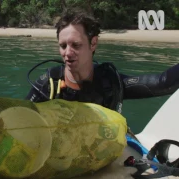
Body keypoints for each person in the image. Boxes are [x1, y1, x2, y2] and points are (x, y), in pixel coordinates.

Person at [25, 8, 179, 114]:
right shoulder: (48, 86)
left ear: (93, 43)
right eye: (63, 46)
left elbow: (164, 82)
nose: (67, 53)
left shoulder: (110, 82)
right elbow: (18, 116)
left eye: (76, 45)